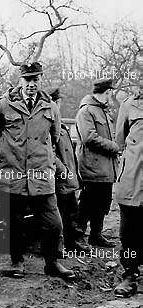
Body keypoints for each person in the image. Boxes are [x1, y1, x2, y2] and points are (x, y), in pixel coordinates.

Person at [0, 62, 75, 280]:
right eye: (27, 80)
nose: (32, 84)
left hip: (41, 174)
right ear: (20, 81)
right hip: (12, 174)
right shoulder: (3, 105)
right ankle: (17, 262)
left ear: (40, 80)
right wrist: (4, 156)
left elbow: (54, 138)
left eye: (36, 80)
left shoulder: (50, 107)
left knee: (53, 223)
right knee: (16, 222)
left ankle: (52, 263)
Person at [75, 77, 120, 248]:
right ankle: (78, 237)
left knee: (103, 202)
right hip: (92, 167)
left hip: (105, 167)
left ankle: (96, 235)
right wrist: (114, 147)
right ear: (107, 92)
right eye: (110, 93)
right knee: (88, 203)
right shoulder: (86, 111)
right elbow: (89, 138)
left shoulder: (103, 111)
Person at [49, 88, 89, 254]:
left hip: (68, 177)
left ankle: (72, 242)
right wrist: (63, 170)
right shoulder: (49, 124)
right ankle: (61, 246)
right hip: (58, 177)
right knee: (60, 214)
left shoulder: (61, 125)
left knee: (71, 212)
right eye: (58, 102)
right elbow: (49, 152)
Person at [112, 76, 142, 298]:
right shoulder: (129, 105)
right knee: (130, 231)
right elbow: (119, 140)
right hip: (133, 178)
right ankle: (130, 274)